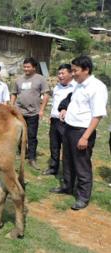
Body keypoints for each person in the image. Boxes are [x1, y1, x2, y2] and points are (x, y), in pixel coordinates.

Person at [50, 56, 108, 210]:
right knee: (67, 160)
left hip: (82, 131)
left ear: (86, 70)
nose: (72, 74)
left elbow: (97, 115)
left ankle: (83, 197)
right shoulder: (78, 85)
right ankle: (67, 186)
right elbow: (70, 100)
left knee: (82, 165)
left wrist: (85, 137)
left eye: (75, 70)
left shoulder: (97, 87)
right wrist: (64, 108)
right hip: (69, 128)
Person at [10, 57, 50, 170]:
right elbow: (14, 93)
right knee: (19, 135)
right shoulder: (19, 80)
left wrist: (42, 109)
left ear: (34, 67)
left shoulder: (40, 79)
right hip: (19, 112)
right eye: (24, 66)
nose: (26, 69)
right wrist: (11, 107)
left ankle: (32, 158)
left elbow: (46, 95)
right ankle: (23, 153)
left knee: (32, 136)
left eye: (28, 67)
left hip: (33, 113)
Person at [43, 64, 76, 176]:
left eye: (63, 73)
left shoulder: (75, 88)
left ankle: (68, 172)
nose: (60, 76)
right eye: (59, 73)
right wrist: (51, 115)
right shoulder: (57, 87)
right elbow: (55, 104)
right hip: (55, 121)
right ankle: (53, 168)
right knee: (54, 145)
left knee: (67, 148)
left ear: (71, 73)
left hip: (67, 122)